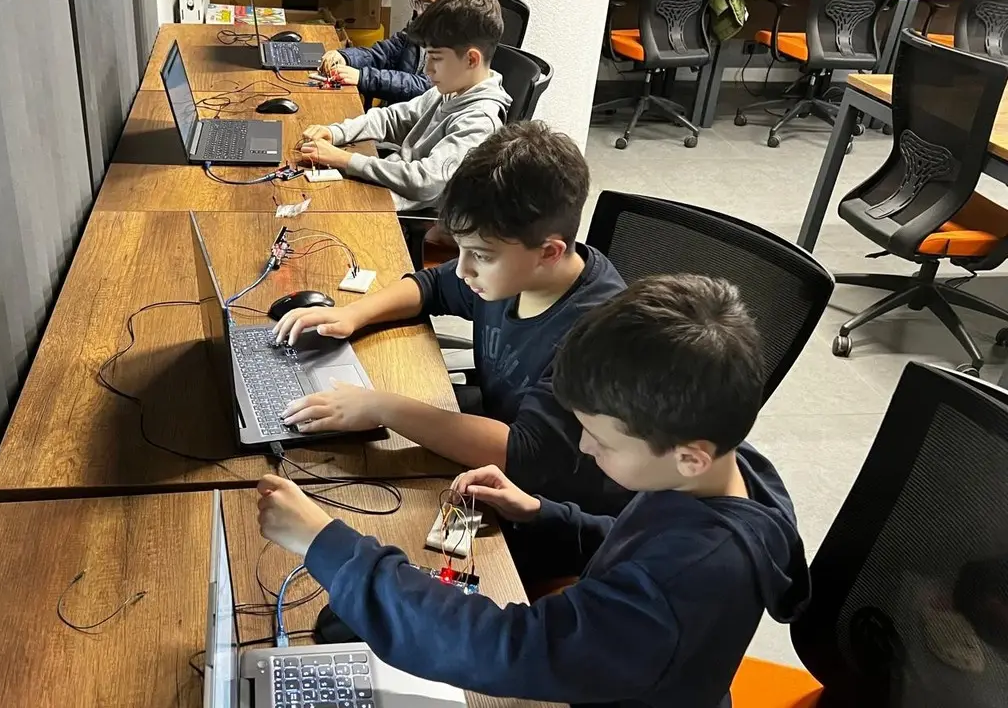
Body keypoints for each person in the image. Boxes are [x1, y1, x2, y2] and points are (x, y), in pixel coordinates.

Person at [255, 275, 812, 708]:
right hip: (613, 662)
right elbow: (641, 542)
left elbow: (508, 647)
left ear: (689, 455)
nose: (584, 449)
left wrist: (328, 546)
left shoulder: (688, 581)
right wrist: (541, 512)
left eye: (600, 439)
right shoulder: (721, 469)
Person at [275, 120, 625, 472]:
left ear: (549, 252)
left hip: (538, 483)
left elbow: (524, 452)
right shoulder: (514, 271)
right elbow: (433, 286)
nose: (462, 269)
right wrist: (353, 314)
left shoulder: (595, 341)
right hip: (493, 423)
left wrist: (381, 407)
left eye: (481, 256)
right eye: (461, 249)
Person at [298, 0, 511, 212]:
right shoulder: (451, 90)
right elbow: (392, 118)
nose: (428, 69)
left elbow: (424, 183)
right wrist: (335, 132)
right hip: (387, 185)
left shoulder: (479, 122)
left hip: (400, 212)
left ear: (471, 60)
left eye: (436, 58)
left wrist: (344, 160)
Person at [318, 0, 449, 105]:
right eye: (416, 2)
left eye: (427, 5)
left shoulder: (455, 43)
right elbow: (382, 53)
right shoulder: (417, 28)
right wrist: (345, 57)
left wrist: (363, 77)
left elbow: (427, 87)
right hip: (396, 113)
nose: (419, 12)